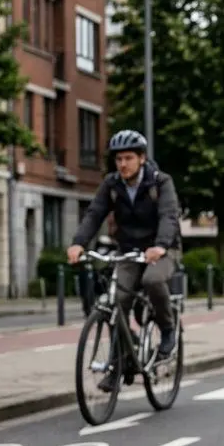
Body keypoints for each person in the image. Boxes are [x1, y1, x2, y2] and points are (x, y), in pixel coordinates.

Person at [67, 130, 181, 384]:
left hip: (162, 250)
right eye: (119, 159)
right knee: (117, 301)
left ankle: (167, 331)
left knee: (152, 280)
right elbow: (94, 214)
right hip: (129, 251)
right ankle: (119, 364)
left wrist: (161, 246)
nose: (123, 164)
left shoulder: (160, 182)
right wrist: (78, 244)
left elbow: (168, 216)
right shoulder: (112, 185)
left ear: (141, 158)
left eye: (128, 158)